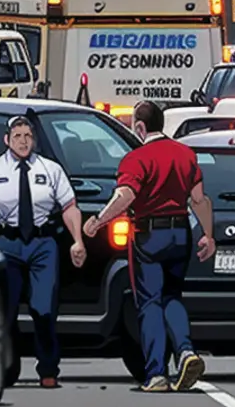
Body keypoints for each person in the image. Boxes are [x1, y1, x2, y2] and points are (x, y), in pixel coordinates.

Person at [84, 100, 216, 392]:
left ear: (140, 127)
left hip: (149, 235)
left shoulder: (136, 159)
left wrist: (98, 221)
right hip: (181, 232)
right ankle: (185, 351)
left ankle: (156, 374)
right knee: (173, 295)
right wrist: (208, 234)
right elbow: (199, 200)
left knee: (149, 302)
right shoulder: (185, 154)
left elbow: (125, 196)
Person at [0, 116, 87, 388]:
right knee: (5, 311)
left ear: (34, 139)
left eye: (28, 136)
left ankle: (48, 369)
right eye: (17, 136)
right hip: (6, 243)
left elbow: (69, 207)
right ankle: (7, 369)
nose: (23, 141)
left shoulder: (50, 169)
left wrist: (77, 241)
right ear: (6, 140)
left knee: (43, 308)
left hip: (42, 243)